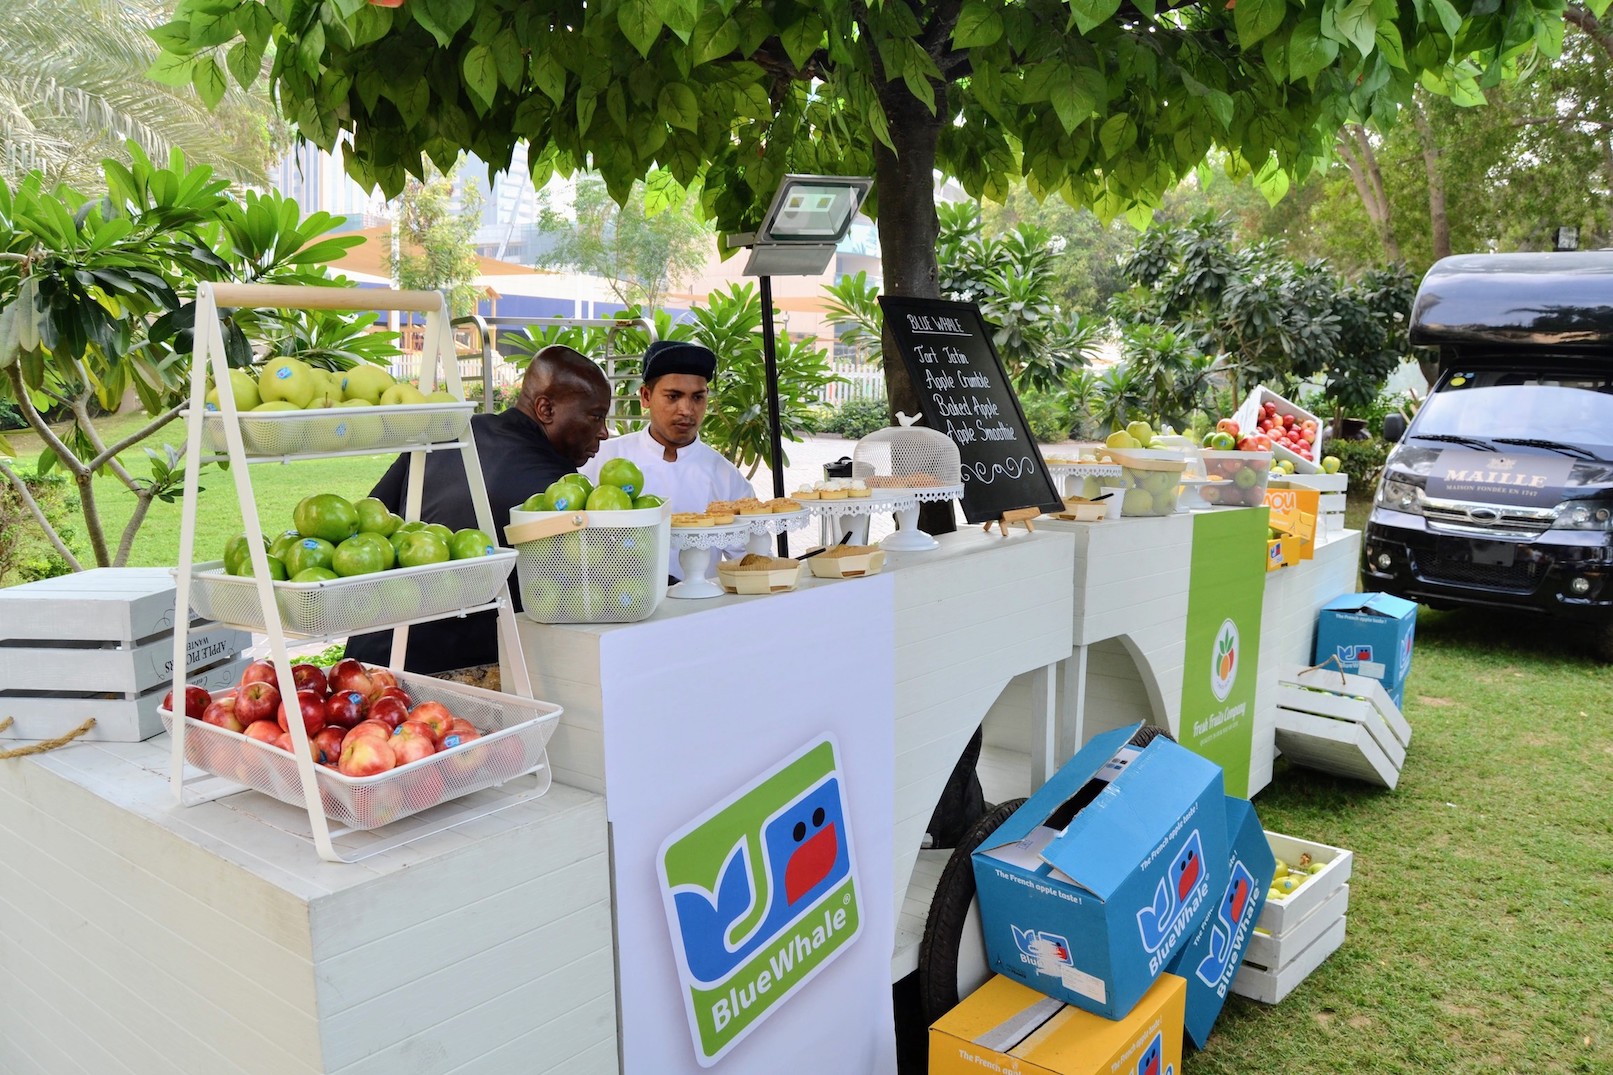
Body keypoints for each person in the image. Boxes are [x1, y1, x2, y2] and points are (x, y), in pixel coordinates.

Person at [344, 345, 612, 675]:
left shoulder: (452, 433)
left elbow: (370, 521)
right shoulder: (558, 491)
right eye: (596, 416)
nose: (604, 431)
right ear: (545, 409)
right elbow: (605, 579)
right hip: (453, 677)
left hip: (367, 654)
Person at [580, 339, 753, 577]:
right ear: (645, 396)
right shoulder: (604, 459)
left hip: (701, 610)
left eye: (697, 397)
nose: (686, 409)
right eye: (673, 396)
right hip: (618, 605)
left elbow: (749, 560)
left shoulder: (726, 476)